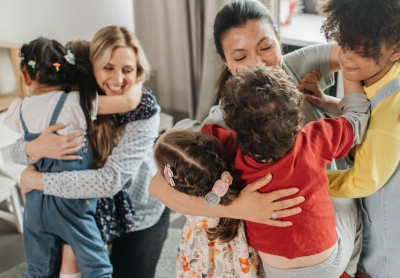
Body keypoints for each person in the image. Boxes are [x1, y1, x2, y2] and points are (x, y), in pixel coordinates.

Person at [148, 0, 341, 238]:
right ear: (225, 62)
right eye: (240, 57)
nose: (258, 64)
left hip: (342, 204)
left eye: (266, 47)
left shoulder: (295, 67)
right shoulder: (224, 118)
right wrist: (239, 207)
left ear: (279, 40)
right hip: (294, 239)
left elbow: (362, 52)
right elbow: (157, 187)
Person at [13, 26, 168, 278]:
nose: (117, 80)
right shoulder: (69, 104)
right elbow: (19, 149)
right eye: (107, 67)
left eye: (127, 70)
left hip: (138, 209)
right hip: (79, 204)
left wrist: (38, 180)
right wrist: (34, 148)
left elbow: (111, 180)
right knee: (57, 266)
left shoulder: (142, 108)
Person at [199, 65, 369, 277]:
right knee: (352, 200)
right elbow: (358, 118)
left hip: (274, 268)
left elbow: (199, 134)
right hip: (327, 264)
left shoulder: (229, 148)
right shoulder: (316, 138)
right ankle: (350, 271)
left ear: (235, 128)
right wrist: (351, 72)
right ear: (298, 119)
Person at [306, 0, 400, 277]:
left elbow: (363, 180)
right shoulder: (383, 77)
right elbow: (367, 115)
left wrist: (307, 179)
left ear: (395, 48)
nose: (345, 58)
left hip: (387, 235)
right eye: (343, 44)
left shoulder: (392, 110)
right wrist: (326, 102)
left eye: (359, 51)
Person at [153, 130, 261, 277]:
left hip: (198, 254)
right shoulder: (236, 188)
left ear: (174, 182)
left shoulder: (187, 203)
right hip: (238, 257)